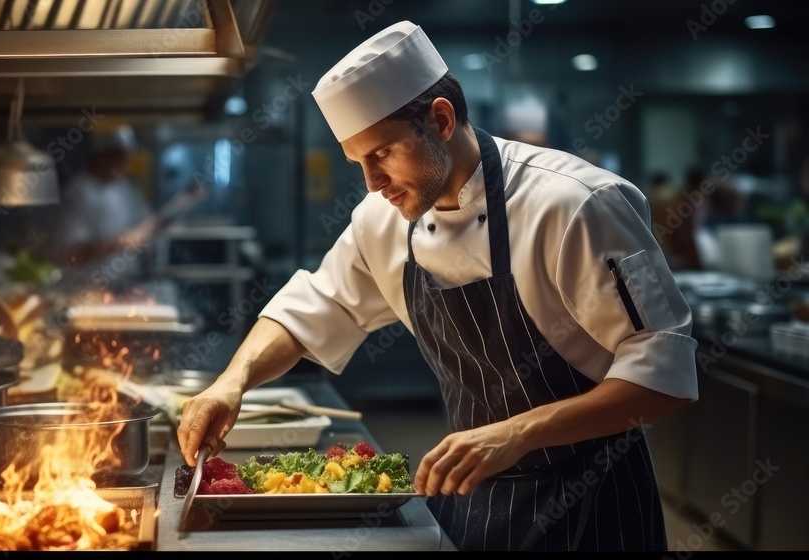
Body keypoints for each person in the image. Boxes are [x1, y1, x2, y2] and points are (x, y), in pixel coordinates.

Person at [177, 21, 699, 551]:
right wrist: (232, 381)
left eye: (380, 154)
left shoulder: (576, 204)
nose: (371, 183)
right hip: (472, 500)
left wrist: (517, 433)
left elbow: (665, 375)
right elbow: (314, 306)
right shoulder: (381, 221)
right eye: (358, 162)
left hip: (595, 509)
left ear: (441, 120)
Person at [56, 124, 206, 289]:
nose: (124, 165)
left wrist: (182, 203)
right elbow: (73, 253)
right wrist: (121, 242)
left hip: (128, 284)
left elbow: (149, 226)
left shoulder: (125, 188)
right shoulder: (78, 191)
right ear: (102, 156)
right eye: (119, 158)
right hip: (90, 288)